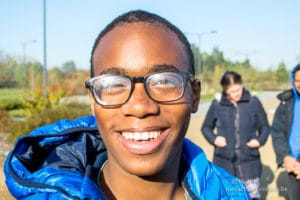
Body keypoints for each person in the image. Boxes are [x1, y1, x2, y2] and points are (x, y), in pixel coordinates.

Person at [4, 10, 250, 199]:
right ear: (93, 100)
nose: (140, 107)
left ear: (194, 95)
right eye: (113, 84)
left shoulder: (232, 193)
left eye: (164, 80)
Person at [201, 71, 270, 199]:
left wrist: (259, 141)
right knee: (228, 196)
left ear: (242, 84)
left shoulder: (253, 102)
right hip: (224, 164)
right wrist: (214, 139)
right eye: (231, 92)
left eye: (237, 89)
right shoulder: (217, 104)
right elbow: (206, 127)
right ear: (225, 90)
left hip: (249, 163)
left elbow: (265, 127)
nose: (235, 94)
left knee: (252, 196)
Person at [271, 64, 300, 200]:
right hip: (293, 164)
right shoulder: (285, 103)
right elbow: (277, 132)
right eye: (297, 80)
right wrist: (286, 156)